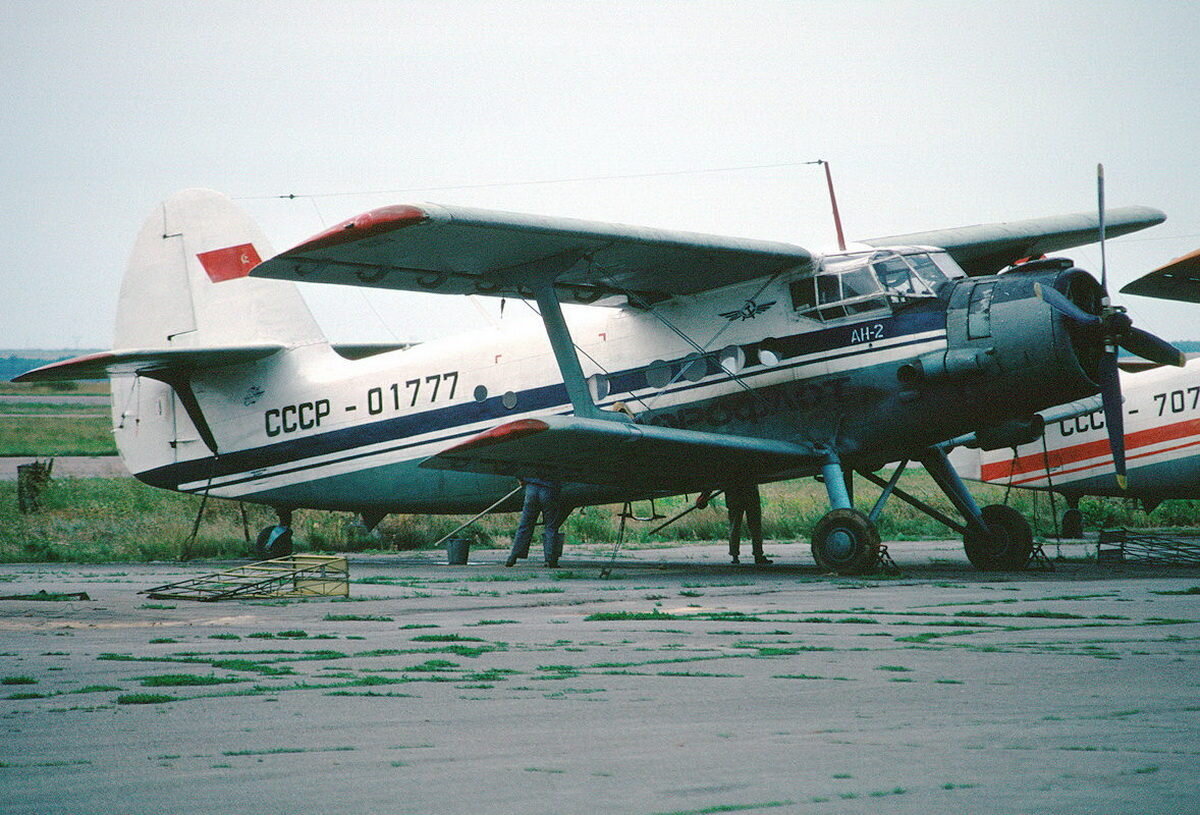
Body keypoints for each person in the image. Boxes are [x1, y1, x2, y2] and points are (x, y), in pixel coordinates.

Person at [697, 484, 771, 565]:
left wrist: (705, 495)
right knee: (755, 527)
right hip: (750, 494)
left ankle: (735, 556)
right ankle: (758, 555)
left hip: (734, 496)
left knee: (735, 527)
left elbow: (717, 476)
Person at [506, 476, 568, 567]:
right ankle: (551, 560)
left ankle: (512, 557)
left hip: (531, 489)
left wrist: (521, 479)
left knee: (525, 525)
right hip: (549, 489)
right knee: (551, 526)